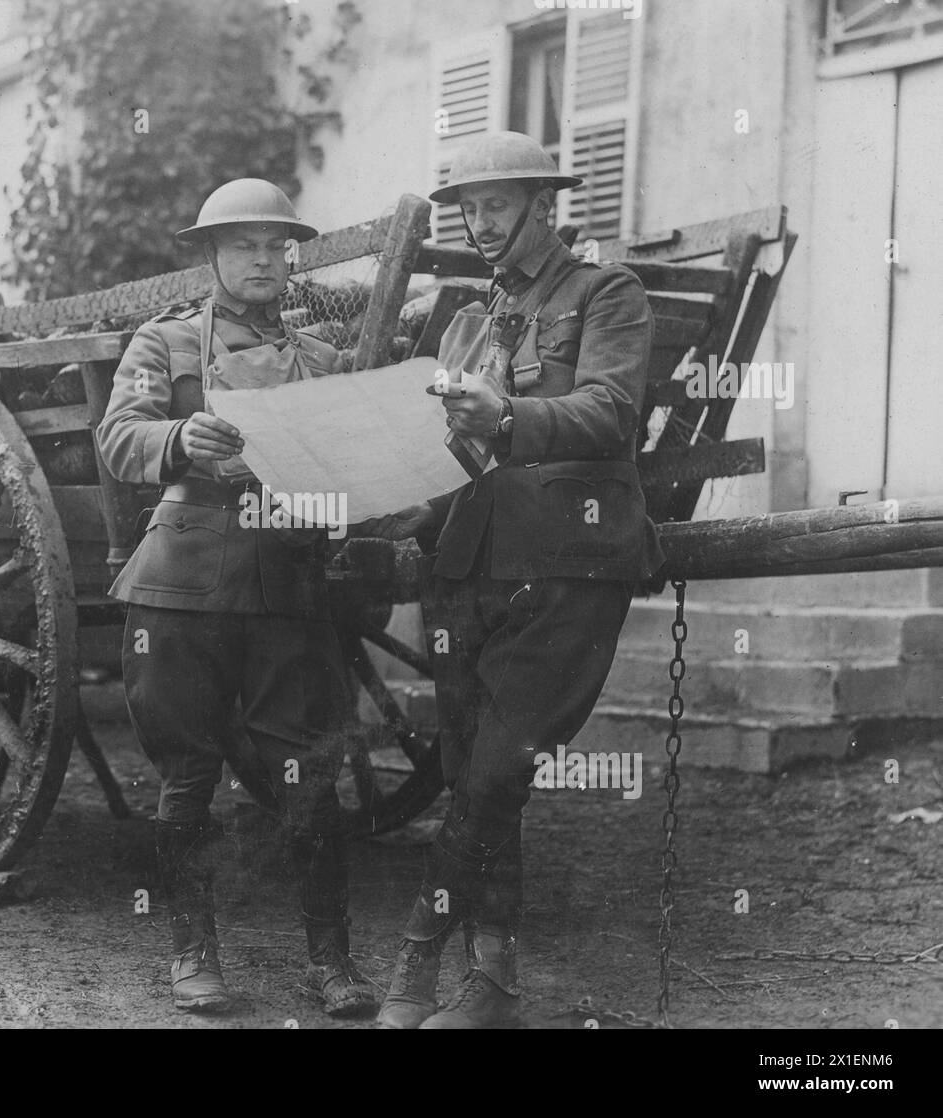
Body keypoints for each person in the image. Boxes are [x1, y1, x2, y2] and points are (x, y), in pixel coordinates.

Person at [370, 132, 666, 1029]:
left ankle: (417, 964)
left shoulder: (607, 293)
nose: (481, 221)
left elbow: (611, 411)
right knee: (469, 773)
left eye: (499, 204)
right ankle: (493, 985)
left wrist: (508, 415)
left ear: (546, 205)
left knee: (497, 774)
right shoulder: (469, 318)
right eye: (470, 206)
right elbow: (444, 453)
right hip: (467, 571)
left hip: (570, 568)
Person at [95, 178, 375, 1017]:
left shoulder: (321, 359)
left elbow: (350, 464)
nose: (262, 259)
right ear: (211, 255)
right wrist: (181, 437)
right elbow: (118, 437)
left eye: (275, 246)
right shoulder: (169, 342)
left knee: (313, 777)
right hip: (182, 583)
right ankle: (192, 956)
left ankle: (333, 962)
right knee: (187, 777)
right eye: (243, 245)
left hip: (286, 583)